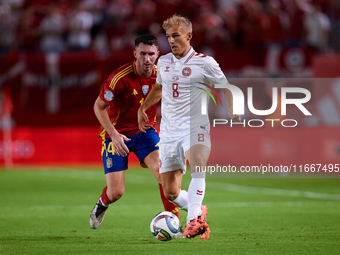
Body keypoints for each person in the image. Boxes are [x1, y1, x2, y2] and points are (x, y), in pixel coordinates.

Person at [138, 15, 241, 239]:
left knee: (198, 165)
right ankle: (198, 209)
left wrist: (233, 109)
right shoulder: (163, 62)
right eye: (168, 36)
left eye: (175, 35)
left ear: (189, 35)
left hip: (195, 125)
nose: (171, 40)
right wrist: (143, 108)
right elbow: (158, 89)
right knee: (171, 191)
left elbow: (227, 87)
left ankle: (193, 220)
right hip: (168, 130)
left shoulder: (205, 62)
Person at [89, 34, 179, 230]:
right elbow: (99, 106)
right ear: (135, 54)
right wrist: (113, 134)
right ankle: (102, 203)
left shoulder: (162, 75)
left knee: (163, 174)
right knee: (116, 192)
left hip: (146, 132)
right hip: (118, 134)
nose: (147, 59)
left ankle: (174, 223)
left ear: (158, 54)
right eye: (143, 54)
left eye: (151, 54)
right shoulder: (119, 78)